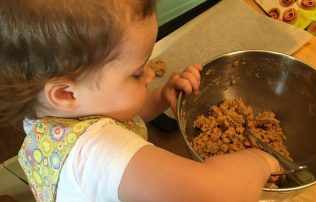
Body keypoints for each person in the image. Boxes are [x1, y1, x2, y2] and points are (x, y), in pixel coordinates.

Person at [0, 0, 280, 201]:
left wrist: (159, 98)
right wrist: (259, 160)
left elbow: (116, 123)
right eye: (135, 74)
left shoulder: (48, 116)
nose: (149, 74)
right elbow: (219, 194)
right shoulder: (100, 153)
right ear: (66, 94)